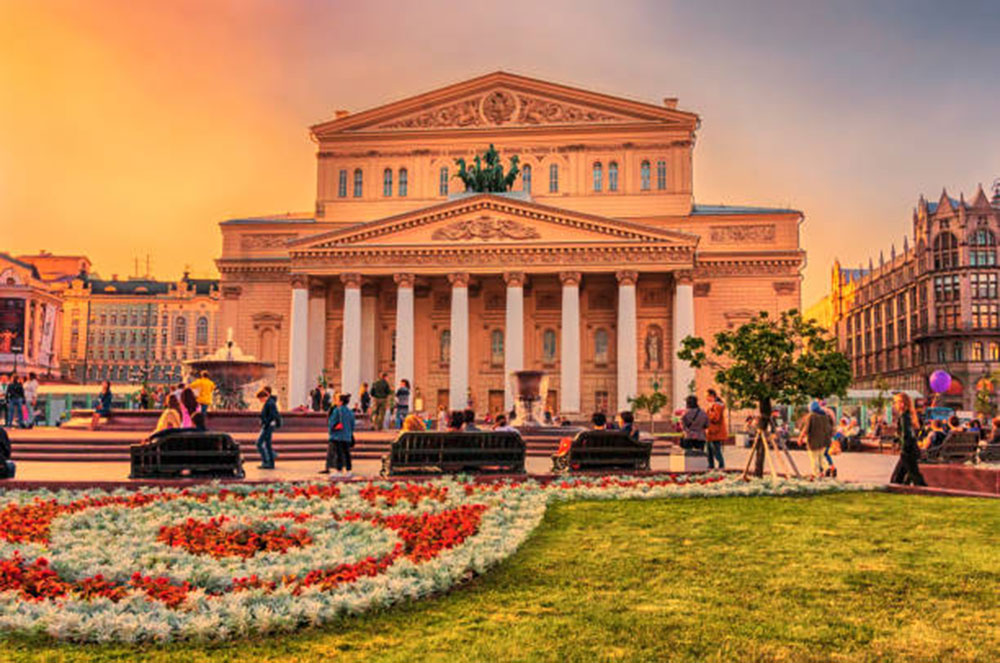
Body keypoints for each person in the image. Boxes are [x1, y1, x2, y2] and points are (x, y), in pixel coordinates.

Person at [890, 392, 926, 486]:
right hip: (911, 449)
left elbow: (906, 434)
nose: (895, 405)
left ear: (902, 403)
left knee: (914, 475)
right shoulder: (910, 415)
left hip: (907, 450)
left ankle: (927, 491)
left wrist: (903, 447)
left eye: (896, 402)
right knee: (898, 477)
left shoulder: (904, 416)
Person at [799, 400, 834, 478]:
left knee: (814, 458)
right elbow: (830, 428)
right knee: (821, 457)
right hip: (824, 441)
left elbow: (806, 429)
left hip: (813, 441)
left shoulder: (811, 416)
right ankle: (827, 468)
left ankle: (816, 474)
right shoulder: (825, 416)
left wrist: (800, 438)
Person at [323, 393, 355, 476]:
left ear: (341, 402)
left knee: (338, 454)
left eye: (337, 400)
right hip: (347, 436)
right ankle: (348, 470)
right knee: (347, 453)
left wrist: (331, 431)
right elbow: (352, 425)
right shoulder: (350, 411)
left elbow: (332, 423)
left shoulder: (337, 410)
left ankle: (339, 470)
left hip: (337, 436)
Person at [255, 387, 280, 469]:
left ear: (263, 397)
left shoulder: (270, 403)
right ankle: (269, 462)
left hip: (267, 427)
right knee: (266, 444)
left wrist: (266, 422)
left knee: (260, 443)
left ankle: (267, 461)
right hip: (267, 426)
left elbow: (273, 415)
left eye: (260, 399)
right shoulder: (269, 402)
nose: (260, 401)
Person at [705, 389, 727, 469]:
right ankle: (711, 466)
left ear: (712, 396)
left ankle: (721, 465)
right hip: (711, 432)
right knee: (709, 450)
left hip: (715, 432)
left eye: (707, 396)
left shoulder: (717, 406)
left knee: (716, 450)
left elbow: (716, 418)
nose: (706, 398)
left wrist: (708, 414)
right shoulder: (712, 405)